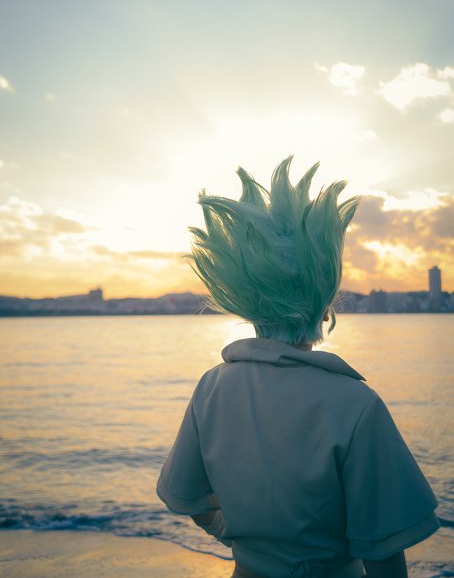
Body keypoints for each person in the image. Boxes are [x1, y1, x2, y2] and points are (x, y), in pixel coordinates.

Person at [156, 156, 439, 578]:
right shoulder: (355, 403)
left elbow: (190, 498)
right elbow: (383, 550)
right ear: (324, 305)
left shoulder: (212, 387)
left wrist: (239, 539)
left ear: (244, 297)